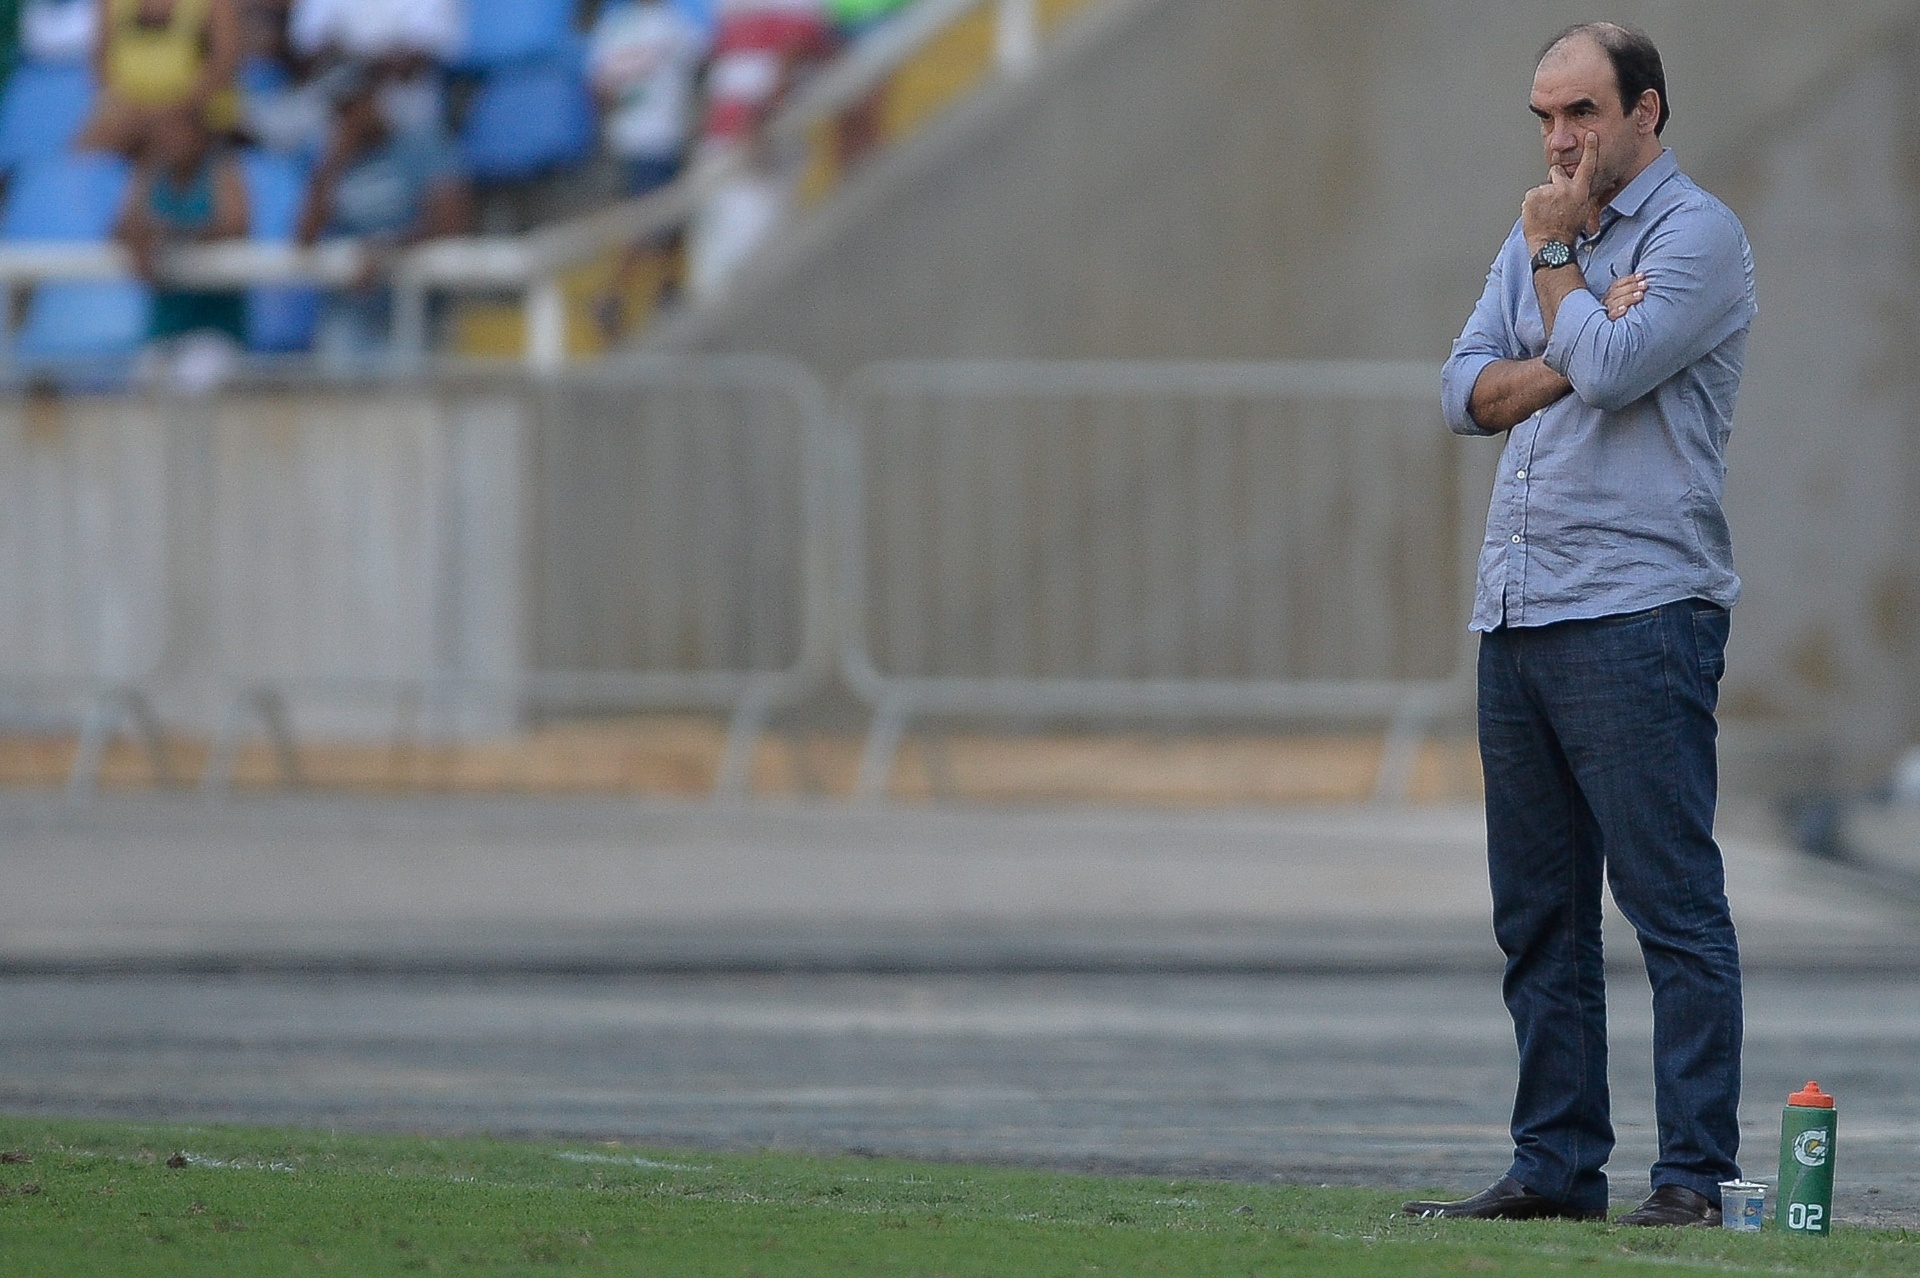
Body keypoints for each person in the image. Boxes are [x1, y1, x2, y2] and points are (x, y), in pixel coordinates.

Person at [1402, 22, 1757, 1228]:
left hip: (1639, 610)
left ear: (1647, 111)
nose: (1559, 141)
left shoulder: (1699, 238)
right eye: (1545, 118)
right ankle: (1556, 1168)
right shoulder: (1547, 236)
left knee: (1671, 909)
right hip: (1520, 609)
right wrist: (1576, 327)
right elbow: (1464, 390)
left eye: (1583, 115)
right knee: (1538, 919)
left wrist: (1563, 306)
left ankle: (1693, 1177)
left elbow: (1609, 373)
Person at [294, 68, 470, 366]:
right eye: (340, 111)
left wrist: (386, 252)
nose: (348, 118)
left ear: (374, 99)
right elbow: (304, 237)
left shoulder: (422, 144)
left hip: (414, 305)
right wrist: (333, 163)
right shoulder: (331, 162)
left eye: (354, 106)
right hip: (353, 309)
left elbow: (451, 223)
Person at [115, 103, 250, 390]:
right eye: (164, 131)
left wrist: (170, 235)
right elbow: (121, 226)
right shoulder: (150, 170)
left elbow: (235, 227)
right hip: (165, 326)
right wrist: (138, 240)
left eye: (179, 130)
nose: (170, 139)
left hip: (214, 325)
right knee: (141, 385)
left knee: (193, 382)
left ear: (200, 135)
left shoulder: (222, 169)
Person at [78, 0, 244, 156]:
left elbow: (223, 66)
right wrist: (127, 108)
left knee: (174, 142)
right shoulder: (111, 4)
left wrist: (170, 111)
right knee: (90, 147)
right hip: (129, 114)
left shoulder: (215, 5)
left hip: (196, 115)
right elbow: (100, 63)